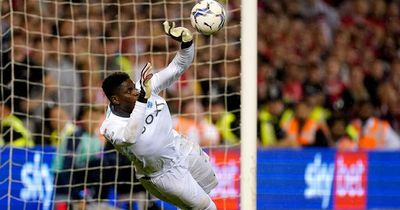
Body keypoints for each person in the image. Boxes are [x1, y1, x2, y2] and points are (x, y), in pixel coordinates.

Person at [99, 21, 218, 210]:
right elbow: (130, 137)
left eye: (133, 87)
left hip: (181, 149)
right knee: (207, 208)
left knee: (209, 188)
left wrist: (187, 44)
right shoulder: (110, 126)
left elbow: (177, 67)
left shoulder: (144, 88)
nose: (135, 91)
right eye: (129, 91)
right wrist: (143, 99)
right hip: (162, 175)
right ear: (115, 99)